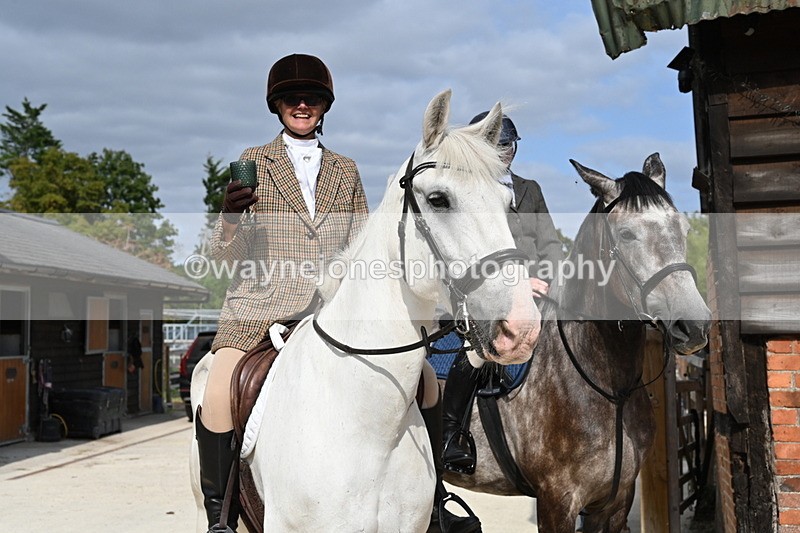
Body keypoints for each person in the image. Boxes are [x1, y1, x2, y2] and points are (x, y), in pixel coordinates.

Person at [195, 53, 368, 533]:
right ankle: (220, 517)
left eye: (311, 98)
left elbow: (361, 243)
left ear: (324, 105)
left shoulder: (347, 170)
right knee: (218, 391)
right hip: (259, 305)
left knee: (423, 382)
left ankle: (434, 499)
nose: (302, 104)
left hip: (330, 310)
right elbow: (227, 257)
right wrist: (230, 217)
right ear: (277, 105)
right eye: (292, 98)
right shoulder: (252, 162)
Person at [440, 111, 565, 474]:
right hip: (487, 291)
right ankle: (452, 433)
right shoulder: (468, 190)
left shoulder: (531, 190)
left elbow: (551, 246)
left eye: (509, 147)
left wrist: (544, 279)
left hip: (536, 292)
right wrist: (515, 282)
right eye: (497, 147)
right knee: (476, 351)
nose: (504, 153)